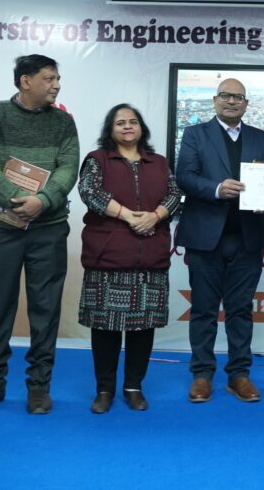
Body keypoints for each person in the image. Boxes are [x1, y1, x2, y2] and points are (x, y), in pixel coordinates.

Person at [0, 54, 79, 415]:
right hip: (2, 228)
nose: (57, 85)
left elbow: (68, 167)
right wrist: (15, 201)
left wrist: (42, 200)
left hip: (49, 229)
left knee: (46, 310)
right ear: (26, 81)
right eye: (49, 78)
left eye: (58, 78)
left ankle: (39, 387)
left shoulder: (63, 122)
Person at [175, 78, 264, 404]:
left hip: (247, 237)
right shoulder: (195, 134)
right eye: (226, 96)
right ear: (215, 100)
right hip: (206, 238)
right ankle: (202, 375)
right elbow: (184, 177)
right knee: (203, 310)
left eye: (238, 97)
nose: (232, 101)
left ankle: (239, 375)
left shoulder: (261, 138)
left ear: (246, 103)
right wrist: (217, 189)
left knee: (240, 311)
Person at [77, 104, 181, 413]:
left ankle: (134, 386)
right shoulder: (98, 160)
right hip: (107, 258)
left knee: (143, 328)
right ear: (110, 130)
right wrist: (128, 216)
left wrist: (154, 216)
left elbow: (174, 195)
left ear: (141, 128)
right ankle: (104, 389)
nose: (127, 126)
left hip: (150, 259)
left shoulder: (158, 162)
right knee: (105, 328)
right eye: (120, 122)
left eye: (132, 122)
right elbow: (89, 192)